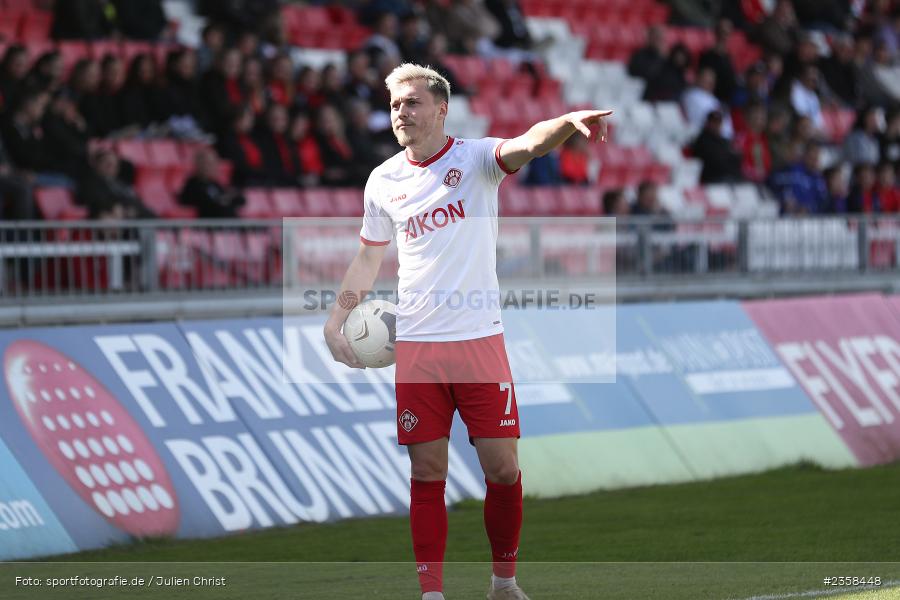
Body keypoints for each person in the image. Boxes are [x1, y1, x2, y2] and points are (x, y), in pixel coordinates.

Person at [323, 63, 611, 600]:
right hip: (418, 349)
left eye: (411, 103)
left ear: (440, 108)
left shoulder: (476, 160)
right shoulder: (382, 180)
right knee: (427, 470)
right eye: (394, 106)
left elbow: (528, 144)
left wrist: (568, 121)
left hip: (479, 341)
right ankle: (432, 593)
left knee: (503, 470)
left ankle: (503, 583)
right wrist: (336, 318)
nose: (401, 113)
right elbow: (368, 258)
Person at [178, 147, 245, 218]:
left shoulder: (214, 184)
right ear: (198, 165)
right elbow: (209, 204)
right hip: (205, 226)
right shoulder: (192, 185)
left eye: (215, 163)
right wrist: (225, 199)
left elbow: (240, 200)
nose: (213, 167)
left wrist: (227, 198)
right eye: (208, 163)